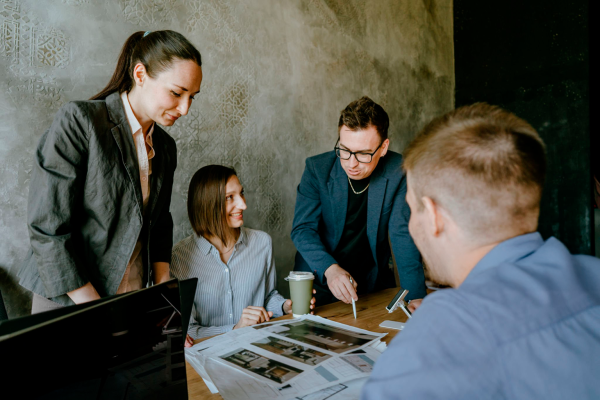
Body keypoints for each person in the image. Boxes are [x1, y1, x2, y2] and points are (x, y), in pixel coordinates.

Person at [362, 103, 600, 399]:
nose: (410, 224)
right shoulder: (593, 273)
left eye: (411, 209)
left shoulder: (440, 337)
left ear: (435, 217)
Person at [18, 30, 203, 313]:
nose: (185, 109)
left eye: (192, 97)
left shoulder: (165, 147)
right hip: (69, 298)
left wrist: (165, 296)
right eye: (177, 93)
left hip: (131, 295)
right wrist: (98, 311)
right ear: (140, 74)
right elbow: (48, 228)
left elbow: (160, 224)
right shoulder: (80, 121)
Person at [291, 96, 426, 307]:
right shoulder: (317, 169)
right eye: (344, 150)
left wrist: (415, 294)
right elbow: (302, 229)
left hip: (370, 281)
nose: (351, 163)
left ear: (383, 148)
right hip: (318, 278)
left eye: (363, 154)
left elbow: (402, 233)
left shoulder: (398, 170)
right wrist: (330, 269)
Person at [171, 165, 316, 340]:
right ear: (206, 205)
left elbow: (267, 296)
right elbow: (188, 331)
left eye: (241, 193)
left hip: (256, 349)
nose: (243, 205)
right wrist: (235, 328)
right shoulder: (180, 257)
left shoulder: (262, 243)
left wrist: (285, 306)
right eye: (229, 197)